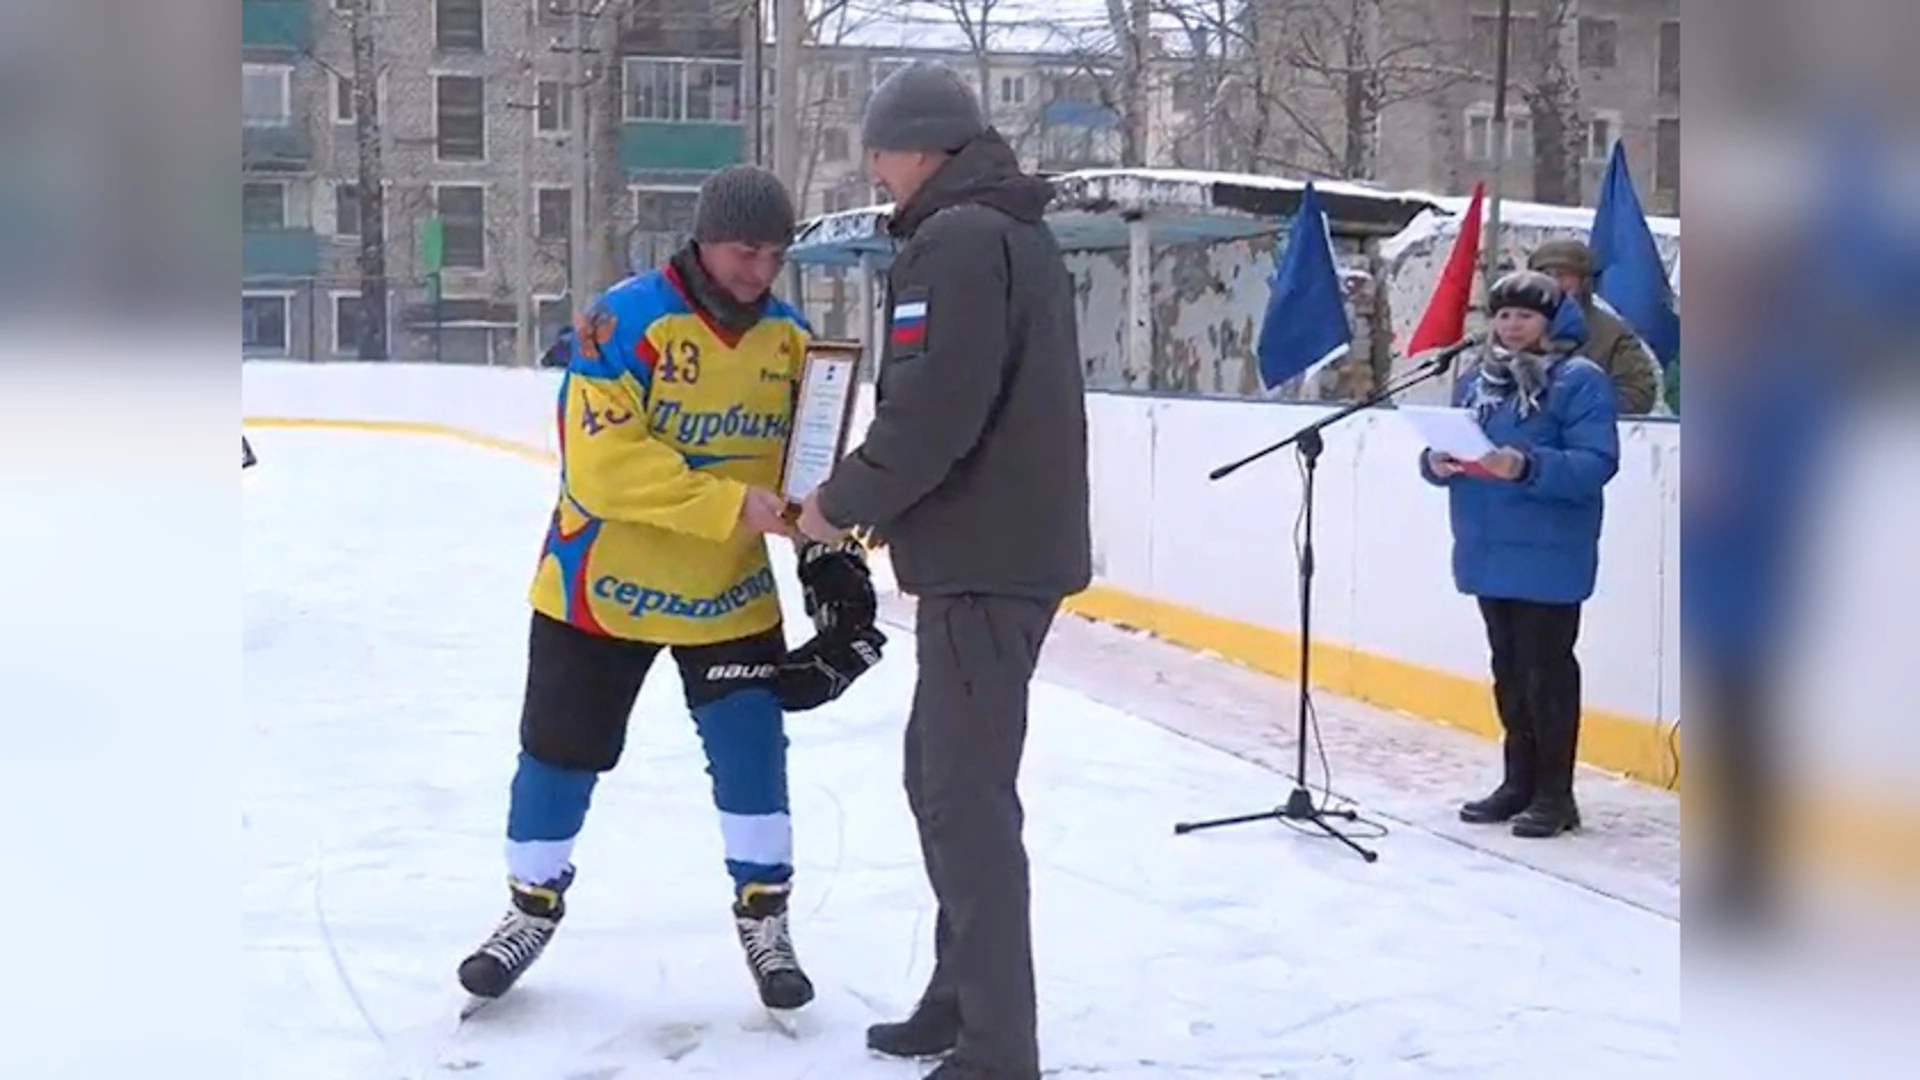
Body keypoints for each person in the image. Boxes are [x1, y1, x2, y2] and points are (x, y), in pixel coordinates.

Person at [456, 164, 888, 1010]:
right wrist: (736, 503)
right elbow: (603, 470)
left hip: (725, 598)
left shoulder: (796, 343)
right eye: (742, 251)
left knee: (753, 759)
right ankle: (529, 907)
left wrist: (834, 572)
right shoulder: (622, 320)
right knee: (557, 758)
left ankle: (766, 918)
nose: (758, 272)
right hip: (595, 591)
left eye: (774, 255)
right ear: (701, 236)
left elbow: (811, 484)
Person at [794, 61, 1090, 1080]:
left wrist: (839, 505)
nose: (877, 173)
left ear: (917, 146)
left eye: (878, 152)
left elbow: (934, 408)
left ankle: (1000, 1045)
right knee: (942, 776)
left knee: (964, 797)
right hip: (996, 551)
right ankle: (960, 997)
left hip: (988, 558)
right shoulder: (1001, 230)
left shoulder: (958, 240)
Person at [1421, 270, 1620, 839]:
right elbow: (1457, 447)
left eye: (1525, 316)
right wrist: (1436, 464)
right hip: (1487, 546)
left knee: (1545, 672)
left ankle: (1555, 795)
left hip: (1549, 552)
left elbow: (1596, 463)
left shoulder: (1580, 381)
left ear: (1552, 321)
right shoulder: (1477, 382)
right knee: (1507, 670)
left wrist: (1527, 465)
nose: (1511, 327)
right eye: (1504, 315)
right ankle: (1518, 782)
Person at [1528, 238, 1664, 415]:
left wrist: (1580, 409)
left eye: (1562, 275)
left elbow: (1637, 394)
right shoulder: (1511, 325)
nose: (1553, 282)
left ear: (1583, 280)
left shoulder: (1613, 334)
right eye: (1545, 274)